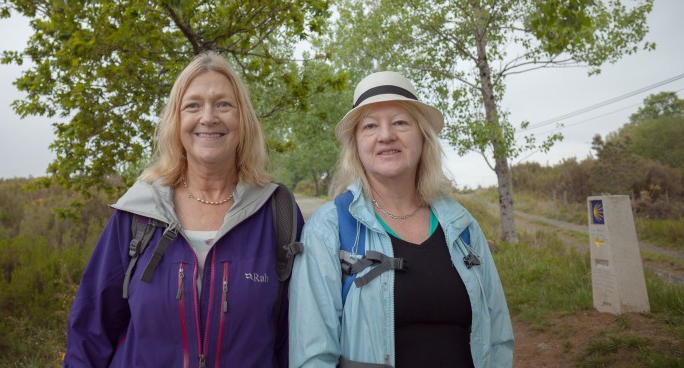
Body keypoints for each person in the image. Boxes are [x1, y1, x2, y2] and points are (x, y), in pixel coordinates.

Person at [64, 51, 301, 367]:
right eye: (193, 105)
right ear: (176, 120)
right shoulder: (138, 213)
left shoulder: (277, 213)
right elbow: (90, 332)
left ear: (243, 119)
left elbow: (295, 337)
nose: (208, 117)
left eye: (223, 104)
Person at [289, 71, 513, 367]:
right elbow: (312, 355)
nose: (386, 135)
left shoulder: (461, 225)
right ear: (356, 145)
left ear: (423, 137)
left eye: (400, 123)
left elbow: (498, 336)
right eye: (370, 126)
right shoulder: (328, 230)